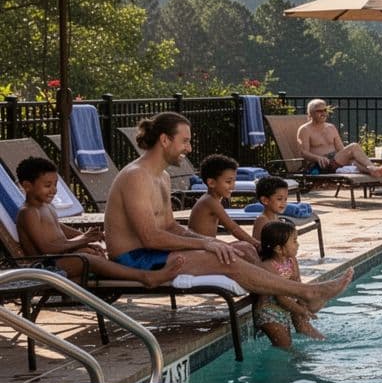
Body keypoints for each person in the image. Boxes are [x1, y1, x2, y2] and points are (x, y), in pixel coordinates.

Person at [104, 112, 352, 308]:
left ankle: (278, 305)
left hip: (155, 251)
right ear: (165, 140)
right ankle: (307, 293)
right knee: (228, 259)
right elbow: (149, 236)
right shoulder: (136, 177)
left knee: (242, 248)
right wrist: (206, 245)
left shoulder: (163, 177)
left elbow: (169, 226)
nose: (189, 148)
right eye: (185, 141)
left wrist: (209, 241)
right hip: (136, 259)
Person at [13, 156, 184, 287]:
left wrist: (89, 238)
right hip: (42, 267)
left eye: (55, 184)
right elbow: (46, 248)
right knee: (88, 259)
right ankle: (145, 277)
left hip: (59, 260)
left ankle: (90, 278)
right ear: (27, 186)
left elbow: (60, 230)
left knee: (95, 253)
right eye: (47, 185)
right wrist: (83, 240)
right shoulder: (28, 213)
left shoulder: (46, 207)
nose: (54, 190)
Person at [253, 221, 324, 348]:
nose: (298, 244)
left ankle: (321, 342)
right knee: (286, 346)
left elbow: (298, 285)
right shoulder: (268, 267)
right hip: (269, 313)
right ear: (279, 249)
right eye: (294, 241)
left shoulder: (291, 261)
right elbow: (280, 298)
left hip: (285, 308)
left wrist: (306, 303)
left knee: (306, 333)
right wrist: (302, 311)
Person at [187, 154, 259, 259]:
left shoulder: (213, 199)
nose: (233, 186)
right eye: (228, 182)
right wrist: (256, 244)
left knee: (246, 247)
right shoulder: (209, 201)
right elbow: (233, 228)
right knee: (246, 249)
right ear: (211, 182)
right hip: (202, 250)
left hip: (208, 246)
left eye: (234, 181)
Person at [296, 99, 382, 177]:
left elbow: (341, 149)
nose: (323, 113)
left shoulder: (331, 127)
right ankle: (372, 168)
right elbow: (303, 153)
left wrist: (350, 158)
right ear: (310, 113)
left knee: (353, 160)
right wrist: (317, 158)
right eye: (319, 111)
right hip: (319, 165)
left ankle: (373, 171)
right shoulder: (305, 129)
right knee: (354, 146)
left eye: (325, 110)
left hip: (335, 161)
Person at [250, 176, 292, 242]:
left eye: (285, 199)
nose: (284, 203)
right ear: (265, 200)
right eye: (279, 199)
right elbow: (258, 246)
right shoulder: (262, 221)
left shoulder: (277, 218)